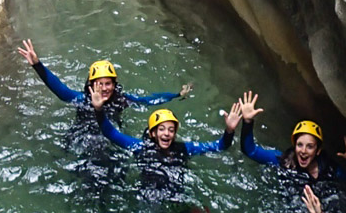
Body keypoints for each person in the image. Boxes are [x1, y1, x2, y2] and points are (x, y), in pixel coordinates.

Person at [90, 84, 244, 205]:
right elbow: (110, 133)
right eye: (161, 129)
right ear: (152, 134)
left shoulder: (185, 148)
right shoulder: (141, 147)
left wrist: (229, 130)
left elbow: (219, 146)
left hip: (178, 195)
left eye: (171, 130)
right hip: (150, 196)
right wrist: (98, 110)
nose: (166, 134)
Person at [17, 39, 193, 128]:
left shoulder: (121, 100)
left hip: (109, 137)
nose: (104, 88)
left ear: (115, 85)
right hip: (83, 137)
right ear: (90, 86)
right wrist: (37, 65)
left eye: (108, 83)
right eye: (99, 84)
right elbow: (58, 88)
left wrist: (177, 95)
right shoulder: (82, 99)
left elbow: (149, 100)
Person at [236, 91, 346, 184]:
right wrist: (247, 122)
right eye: (300, 145)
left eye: (310, 146)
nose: (303, 151)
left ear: (318, 150)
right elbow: (250, 151)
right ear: (294, 145)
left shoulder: (329, 169)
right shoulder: (284, 161)